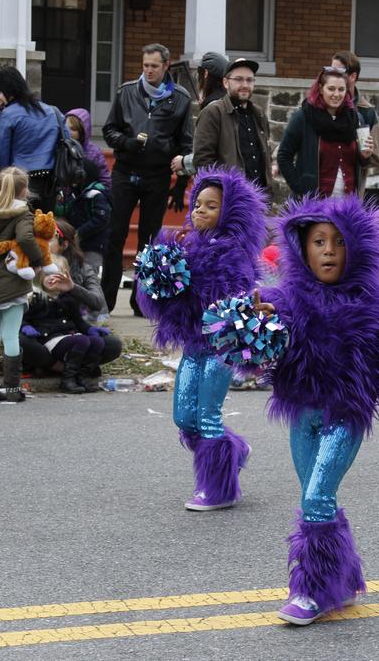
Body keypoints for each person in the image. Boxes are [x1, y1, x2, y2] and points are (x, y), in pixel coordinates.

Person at [254, 196, 379, 625]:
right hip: (301, 418)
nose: (327, 250)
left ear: (358, 248)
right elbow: (255, 354)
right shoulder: (284, 302)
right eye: (318, 241)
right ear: (300, 248)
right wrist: (254, 329)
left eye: (338, 242)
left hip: (343, 419)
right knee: (317, 501)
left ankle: (313, 591)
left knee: (317, 498)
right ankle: (343, 580)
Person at [137, 166, 267, 511]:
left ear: (230, 211)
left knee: (208, 415)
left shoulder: (233, 253)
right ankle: (233, 450)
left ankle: (218, 489)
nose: (200, 211)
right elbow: (174, 299)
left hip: (220, 349)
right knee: (184, 418)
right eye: (197, 204)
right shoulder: (188, 247)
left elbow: (235, 301)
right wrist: (162, 277)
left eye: (211, 206)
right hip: (194, 346)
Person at [102, 43, 193, 315]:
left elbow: (184, 143)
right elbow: (109, 129)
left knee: (149, 241)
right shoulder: (127, 91)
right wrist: (127, 143)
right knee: (115, 235)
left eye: (154, 66)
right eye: (145, 65)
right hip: (125, 171)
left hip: (157, 175)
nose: (149, 70)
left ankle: (141, 302)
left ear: (166, 66)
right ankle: (106, 301)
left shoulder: (180, 98)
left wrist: (180, 185)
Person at [0, 166, 43, 403]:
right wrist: (37, 259)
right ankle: (12, 388)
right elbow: (25, 238)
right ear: (24, 191)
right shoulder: (22, 213)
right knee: (11, 334)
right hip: (13, 279)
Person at [19, 218, 122, 378]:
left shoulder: (83, 269)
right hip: (42, 335)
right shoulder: (27, 265)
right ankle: (61, 367)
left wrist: (72, 288)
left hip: (73, 332)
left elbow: (98, 303)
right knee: (21, 342)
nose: (42, 243)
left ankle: (58, 366)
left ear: (64, 244)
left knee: (112, 344)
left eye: (49, 238)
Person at [277, 66, 374, 198]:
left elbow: (362, 164)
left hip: (348, 205)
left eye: (341, 89)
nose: (336, 94)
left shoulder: (356, 119)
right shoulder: (304, 117)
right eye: (331, 89)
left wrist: (365, 156)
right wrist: (300, 189)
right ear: (321, 89)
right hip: (314, 204)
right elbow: (283, 156)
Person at [179, 57, 271, 187]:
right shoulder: (213, 112)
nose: (245, 85)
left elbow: (265, 155)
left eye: (249, 80)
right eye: (238, 79)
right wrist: (222, 193)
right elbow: (203, 161)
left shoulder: (259, 114)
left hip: (259, 198)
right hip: (229, 198)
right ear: (226, 83)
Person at [21, 257, 105, 394]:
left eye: (58, 275)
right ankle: (68, 378)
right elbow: (23, 317)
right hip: (48, 338)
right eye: (47, 275)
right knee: (81, 340)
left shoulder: (68, 297)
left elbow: (78, 321)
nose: (52, 279)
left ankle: (82, 376)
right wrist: (25, 327)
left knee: (98, 342)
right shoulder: (35, 297)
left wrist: (90, 329)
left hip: (69, 335)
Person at [0, 66, 67, 213]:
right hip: (50, 181)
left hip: (19, 183)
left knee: (22, 228)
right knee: (45, 227)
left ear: (8, 90)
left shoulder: (9, 114)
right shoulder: (52, 111)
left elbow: (1, 156)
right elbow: (66, 141)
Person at [330, 51, 379, 197]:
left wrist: (364, 154)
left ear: (352, 77)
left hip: (349, 197)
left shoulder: (366, 113)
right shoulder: (317, 107)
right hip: (317, 195)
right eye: (329, 71)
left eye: (338, 72)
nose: (331, 76)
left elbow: (373, 158)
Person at [64, 107, 112, 190]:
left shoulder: (95, 152)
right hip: (63, 200)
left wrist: (94, 191)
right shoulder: (60, 149)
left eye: (73, 129)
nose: (69, 132)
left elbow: (105, 181)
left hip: (87, 198)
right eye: (67, 128)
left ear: (83, 131)